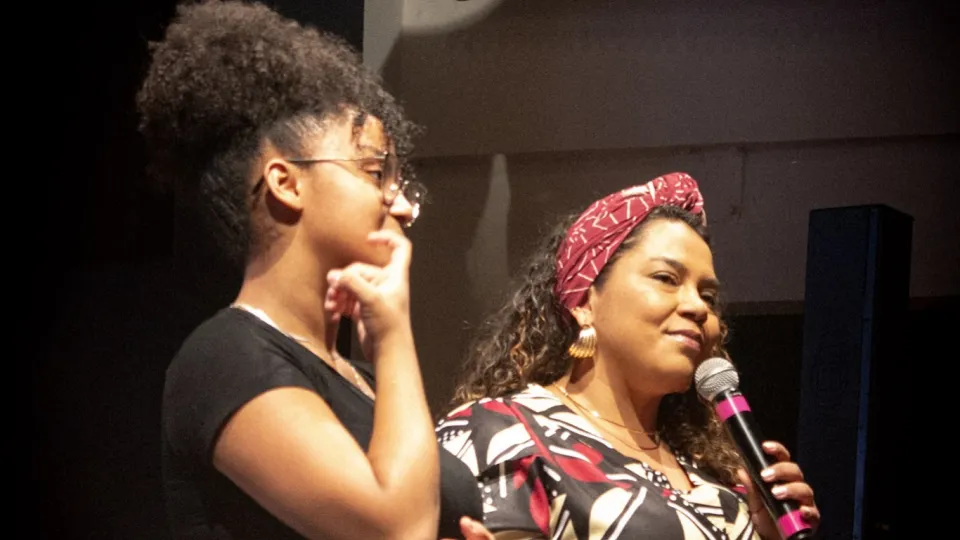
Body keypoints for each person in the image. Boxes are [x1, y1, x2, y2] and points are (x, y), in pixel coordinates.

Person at [138, 1, 490, 538]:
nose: (399, 204)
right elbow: (396, 528)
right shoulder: (225, 358)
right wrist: (393, 336)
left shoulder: (361, 380)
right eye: (375, 173)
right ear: (286, 183)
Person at [436, 173, 820, 539]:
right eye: (666, 279)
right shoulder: (502, 434)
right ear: (585, 301)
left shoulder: (717, 478)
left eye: (708, 296)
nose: (698, 308)